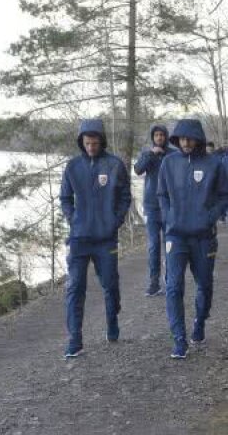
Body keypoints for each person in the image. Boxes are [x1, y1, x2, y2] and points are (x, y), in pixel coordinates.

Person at [157, 118, 228, 359]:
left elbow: (225, 196)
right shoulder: (169, 162)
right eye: (182, 139)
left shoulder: (214, 164)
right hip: (176, 236)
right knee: (173, 286)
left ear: (198, 139)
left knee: (205, 284)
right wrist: (168, 216)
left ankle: (200, 322)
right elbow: (161, 194)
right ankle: (179, 340)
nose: (186, 143)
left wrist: (209, 217)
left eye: (190, 139)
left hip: (203, 237)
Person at [58, 119, 131, 359]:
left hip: (105, 239)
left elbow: (125, 197)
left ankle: (112, 321)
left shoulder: (114, 165)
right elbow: (65, 198)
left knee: (110, 284)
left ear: (102, 141)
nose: (91, 147)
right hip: (79, 239)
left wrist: (115, 221)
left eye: (95, 143)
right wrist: (73, 218)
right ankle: (75, 340)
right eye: (87, 143)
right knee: (75, 287)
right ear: (81, 142)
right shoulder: (72, 167)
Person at [133, 123, 177, 296]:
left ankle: (170, 278)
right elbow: (138, 170)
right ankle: (154, 282)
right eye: (156, 135)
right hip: (151, 205)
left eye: (162, 135)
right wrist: (151, 154)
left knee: (169, 244)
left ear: (166, 137)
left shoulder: (173, 155)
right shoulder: (147, 154)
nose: (159, 138)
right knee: (153, 245)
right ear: (153, 138)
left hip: (168, 205)